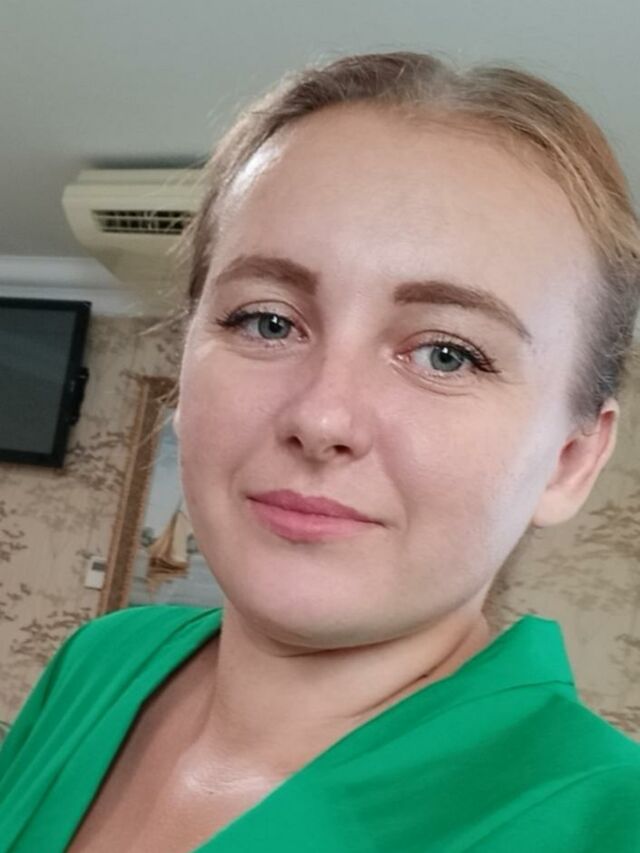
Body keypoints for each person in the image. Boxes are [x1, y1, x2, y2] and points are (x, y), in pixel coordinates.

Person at [1, 50, 639, 852]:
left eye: (446, 354)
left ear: (571, 459)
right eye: (267, 321)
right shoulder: (99, 661)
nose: (322, 415)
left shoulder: (605, 824)